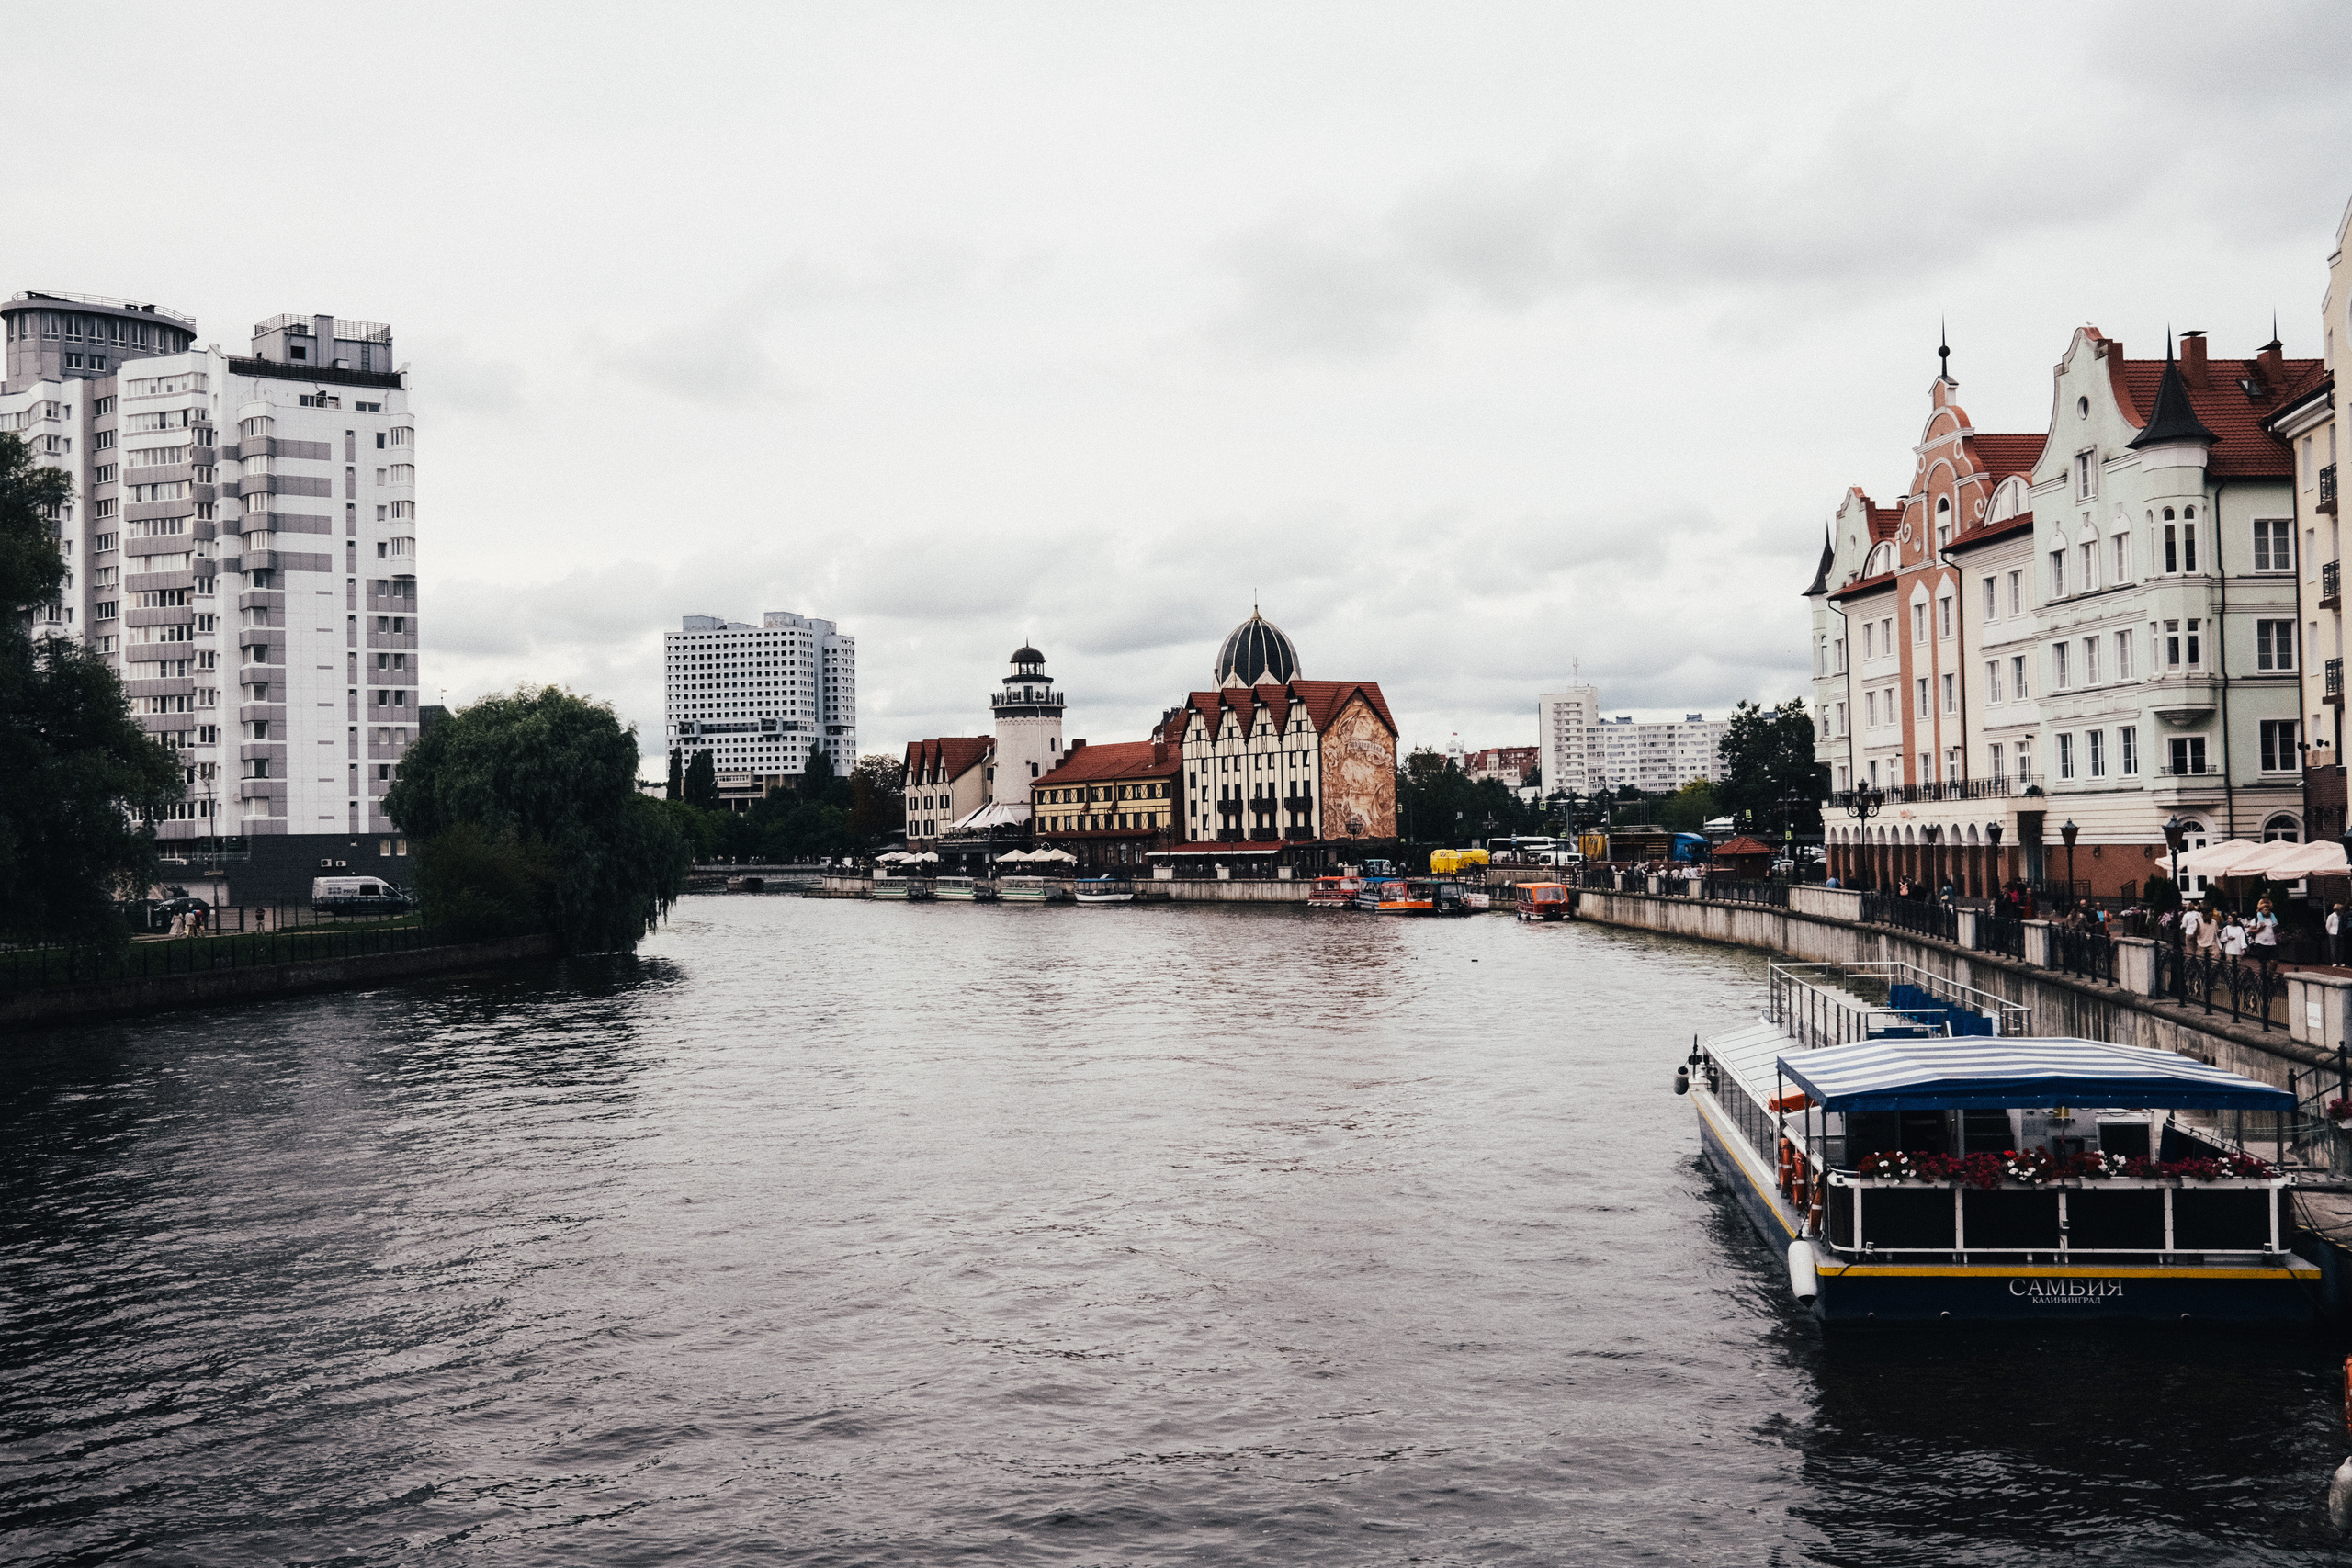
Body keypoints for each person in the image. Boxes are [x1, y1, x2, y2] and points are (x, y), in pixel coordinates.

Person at [2250, 897, 2280, 963]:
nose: (2267, 912)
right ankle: (2264, 973)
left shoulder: (2272, 918)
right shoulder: (2256, 919)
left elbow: (2277, 930)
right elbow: (2250, 931)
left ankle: (2270, 973)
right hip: (2261, 943)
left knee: (2274, 962)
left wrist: (2276, 928)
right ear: (2261, 911)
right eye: (2265, 910)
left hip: (2272, 943)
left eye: (2268, 910)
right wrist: (2259, 929)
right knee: (2263, 963)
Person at [2332, 902, 2346, 967]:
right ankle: (2334, 962)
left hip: (2340, 933)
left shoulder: (2342, 916)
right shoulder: (2331, 916)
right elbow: (2328, 925)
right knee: (2334, 948)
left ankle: (2341, 962)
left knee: (2341, 948)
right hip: (2333, 933)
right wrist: (2331, 932)